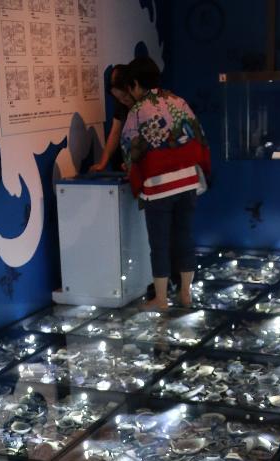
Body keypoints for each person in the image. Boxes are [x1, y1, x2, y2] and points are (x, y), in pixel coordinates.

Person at [121, 57, 210, 307]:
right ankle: (186, 293)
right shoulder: (178, 102)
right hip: (187, 181)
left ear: (136, 84)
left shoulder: (137, 112)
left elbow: (130, 149)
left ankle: (161, 299)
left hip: (159, 186)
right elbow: (198, 135)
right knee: (184, 236)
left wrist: (133, 172)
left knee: (159, 243)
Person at [90, 65, 134, 173]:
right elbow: (115, 133)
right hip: (125, 161)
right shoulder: (121, 106)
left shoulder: (144, 107)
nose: (123, 101)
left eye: (125, 97)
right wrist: (102, 164)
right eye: (119, 99)